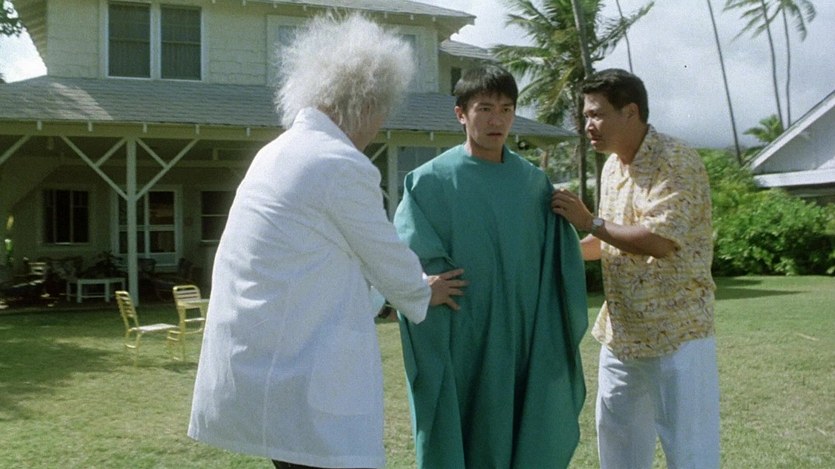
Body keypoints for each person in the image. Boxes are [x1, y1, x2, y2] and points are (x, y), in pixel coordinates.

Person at [187, 14, 466, 469]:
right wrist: (422, 290)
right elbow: (386, 257)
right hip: (301, 373)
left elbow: (323, 257)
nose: (378, 127)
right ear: (365, 104)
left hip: (264, 366)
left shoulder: (276, 152)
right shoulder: (340, 164)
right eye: (382, 113)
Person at [393, 64, 589, 468]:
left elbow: (557, 262)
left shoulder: (534, 184)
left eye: (506, 109)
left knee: (521, 430)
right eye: (484, 108)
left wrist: (577, 219)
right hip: (461, 336)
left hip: (523, 337)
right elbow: (401, 260)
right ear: (461, 114)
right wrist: (421, 285)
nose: (496, 120)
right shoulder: (428, 183)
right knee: (460, 429)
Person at [551, 68, 720, 469]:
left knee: (690, 454)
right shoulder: (612, 167)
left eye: (596, 114)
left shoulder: (676, 160)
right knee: (618, 450)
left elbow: (657, 240)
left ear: (630, 112)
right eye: (586, 116)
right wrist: (554, 254)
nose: (588, 126)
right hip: (622, 335)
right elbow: (610, 239)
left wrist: (588, 221)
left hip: (678, 334)